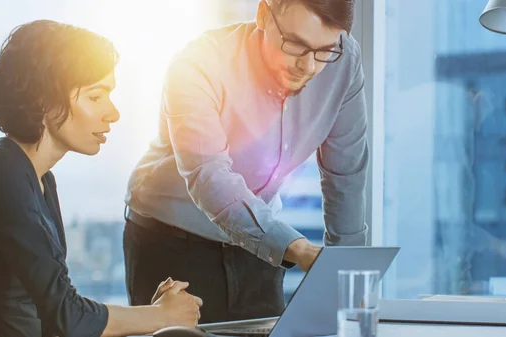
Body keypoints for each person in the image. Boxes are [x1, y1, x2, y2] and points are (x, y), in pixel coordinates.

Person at [0, 20, 202, 337]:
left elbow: (54, 314)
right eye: (96, 97)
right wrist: (158, 316)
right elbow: (68, 318)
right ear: (44, 99)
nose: (113, 113)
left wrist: (154, 315)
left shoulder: (40, 181)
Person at [124, 0, 367, 323]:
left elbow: (346, 176)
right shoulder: (198, 64)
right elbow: (209, 176)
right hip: (171, 238)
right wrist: (298, 248)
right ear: (264, 15)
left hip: (262, 242)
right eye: (295, 44)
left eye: (324, 50)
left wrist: (345, 276)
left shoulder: (343, 61)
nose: (308, 66)